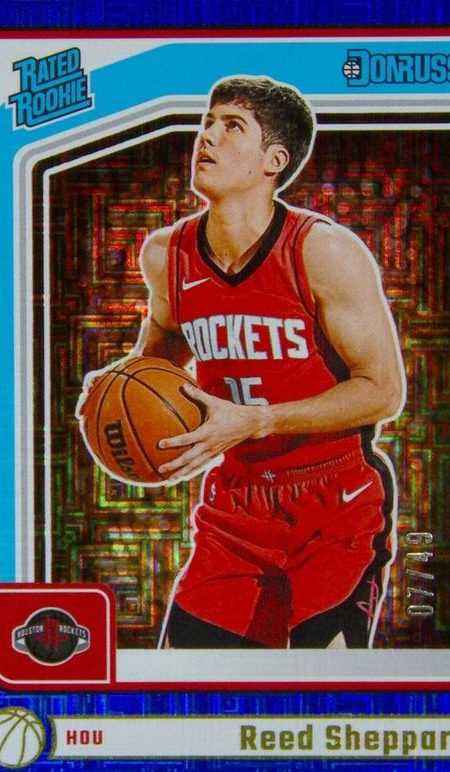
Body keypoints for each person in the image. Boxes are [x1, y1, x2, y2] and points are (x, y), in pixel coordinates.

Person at [133, 75, 405, 649]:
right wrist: (123, 385)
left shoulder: (322, 250)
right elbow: (162, 347)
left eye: (232, 127)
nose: (208, 136)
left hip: (334, 499)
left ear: (273, 161)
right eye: (208, 122)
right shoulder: (166, 255)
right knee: (183, 685)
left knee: (323, 684)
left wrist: (259, 419)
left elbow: (383, 390)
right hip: (238, 499)